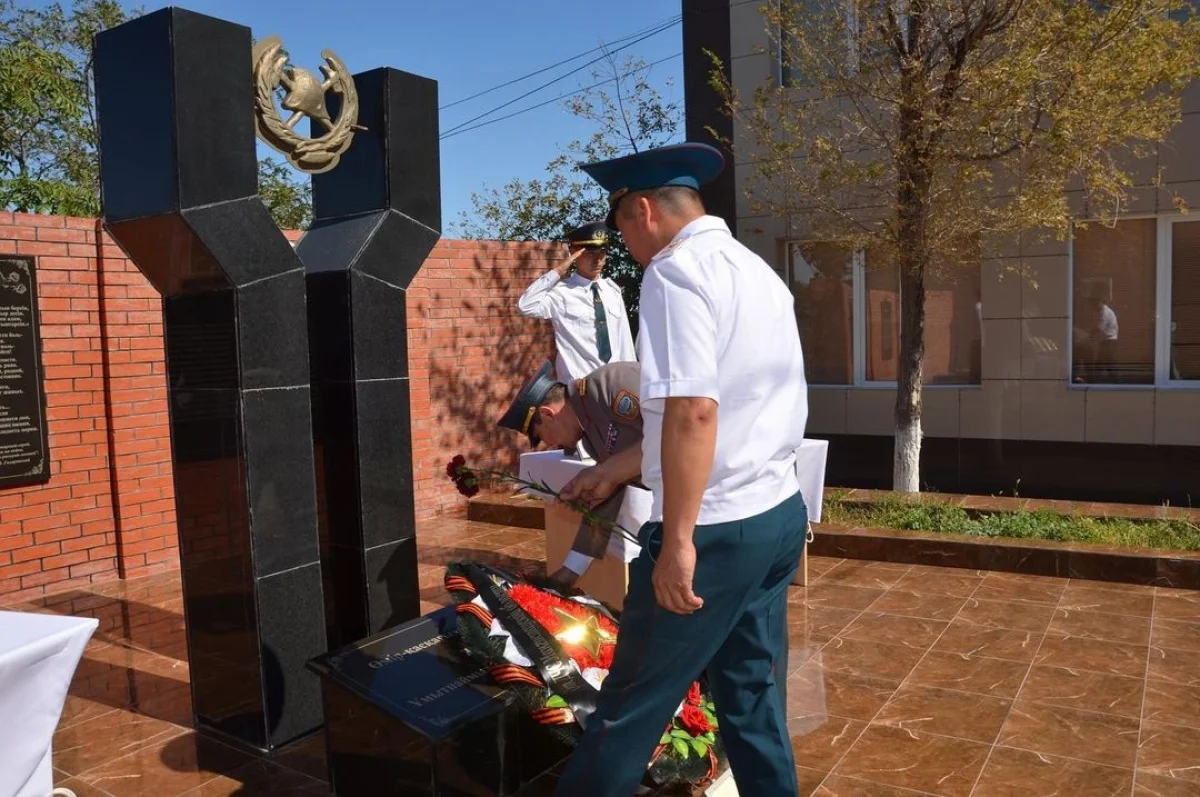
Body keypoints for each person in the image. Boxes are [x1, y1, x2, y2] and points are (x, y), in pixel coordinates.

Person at [551, 142, 809, 797]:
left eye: (622, 228)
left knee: (628, 712)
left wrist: (681, 541)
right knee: (751, 697)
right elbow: (715, 411)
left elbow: (696, 411)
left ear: (643, 210)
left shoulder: (675, 273)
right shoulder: (756, 272)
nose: (624, 246)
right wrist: (615, 468)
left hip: (716, 531)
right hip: (775, 513)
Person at [498, 359, 645, 589]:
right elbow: (609, 492)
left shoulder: (612, 386)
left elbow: (675, 437)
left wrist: (604, 472)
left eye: (542, 436)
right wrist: (569, 572)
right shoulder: (590, 435)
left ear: (548, 414)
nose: (550, 443)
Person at [517, 221, 637, 385]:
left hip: (614, 384)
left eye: (602, 253)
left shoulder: (612, 290)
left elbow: (624, 340)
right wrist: (559, 271)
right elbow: (526, 305)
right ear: (574, 253)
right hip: (579, 387)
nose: (597, 260)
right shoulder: (561, 293)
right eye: (590, 253)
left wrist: (631, 380)